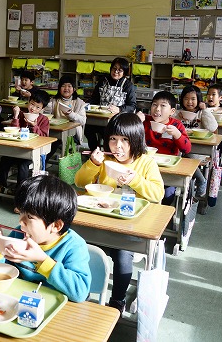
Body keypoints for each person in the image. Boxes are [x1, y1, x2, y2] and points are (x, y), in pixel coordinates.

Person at [75, 112, 164, 314]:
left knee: (123, 256)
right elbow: (80, 182)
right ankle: (83, 291)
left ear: (136, 140)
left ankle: (117, 301)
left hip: (130, 225)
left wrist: (135, 180)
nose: (118, 146)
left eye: (125, 140)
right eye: (113, 139)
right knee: (78, 245)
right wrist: (93, 164)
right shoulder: (105, 160)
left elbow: (157, 193)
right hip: (102, 220)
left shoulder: (146, 162)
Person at [0, 175, 91, 303]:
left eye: (29, 216)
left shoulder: (74, 246)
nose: (20, 221)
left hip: (55, 307)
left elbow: (80, 293)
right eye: (20, 213)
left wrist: (42, 260)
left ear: (56, 225)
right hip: (20, 301)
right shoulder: (19, 234)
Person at [136, 90, 190, 205]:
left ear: (172, 111)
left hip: (168, 170)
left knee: (167, 196)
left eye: (163, 106)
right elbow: (128, 139)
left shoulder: (176, 125)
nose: (157, 109)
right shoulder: (144, 121)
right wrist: (135, 122)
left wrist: (177, 134)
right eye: (154, 105)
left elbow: (187, 149)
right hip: (144, 168)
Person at [0, 90, 50, 195]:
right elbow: (14, 131)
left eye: (38, 107)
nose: (33, 108)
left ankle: (20, 192)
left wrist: (34, 126)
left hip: (32, 152)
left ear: (42, 109)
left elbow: (44, 138)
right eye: (32, 104)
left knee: (23, 165)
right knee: (5, 159)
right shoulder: (22, 115)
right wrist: (16, 116)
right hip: (18, 150)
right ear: (29, 102)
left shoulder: (44, 120)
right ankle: (0, 185)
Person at [84, 58, 137, 150]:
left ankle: (109, 153)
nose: (116, 72)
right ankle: (95, 150)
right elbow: (94, 98)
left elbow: (132, 106)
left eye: (120, 70)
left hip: (117, 120)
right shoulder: (103, 81)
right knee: (88, 129)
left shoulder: (128, 85)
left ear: (124, 72)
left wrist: (120, 109)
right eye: (114, 68)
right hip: (100, 116)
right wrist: (86, 105)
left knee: (107, 132)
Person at [178, 85, 218, 201]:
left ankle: (201, 180)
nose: (189, 102)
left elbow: (213, 128)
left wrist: (204, 110)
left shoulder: (201, 113)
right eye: (186, 98)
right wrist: (176, 116)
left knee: (188, 157)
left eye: (193, 99)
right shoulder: (180, 113)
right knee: (180, 156)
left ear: (199, 100)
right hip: (181, 148)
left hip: (197, 151)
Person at [44, 75, 87, 156]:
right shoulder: (53, 101)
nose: (66, 88)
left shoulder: (79, 103)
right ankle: (42, 162)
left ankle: (45, 162)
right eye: (63, 86)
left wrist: (71, 114)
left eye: (69, 86)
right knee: (48, 140)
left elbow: (83, 121)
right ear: (59, 88)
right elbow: (46, 114)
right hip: (55, 131)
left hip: (72, 134)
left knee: (55, 142)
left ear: (74, 89)